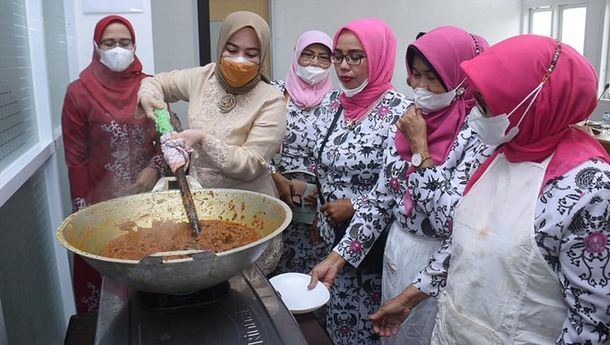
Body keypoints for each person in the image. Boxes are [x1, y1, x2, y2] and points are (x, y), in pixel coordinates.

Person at [375, 35, 610, 344]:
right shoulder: (494, 151)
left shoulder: (588, 191)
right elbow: (465, 238)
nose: (475, 114)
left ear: (533, 102)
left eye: (485, 104)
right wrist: (411, 296)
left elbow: (593, 323)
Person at [138, 11, 286, 275]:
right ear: (221, 48)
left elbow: (251, 164)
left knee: (245, 292)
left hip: (249, 214)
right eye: (232, 49)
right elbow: (155, 82)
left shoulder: (270, 99)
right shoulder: (202, 77)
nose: (240, 59)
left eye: (251, 54)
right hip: (201, 209)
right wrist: (150, 97)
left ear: (262, 56)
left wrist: (203, 139)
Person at [307, 18, 410, 345]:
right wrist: (318, 213)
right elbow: (321, 164)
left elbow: (404, 189)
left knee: (367, 330)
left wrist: (355, 206)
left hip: (372, 249)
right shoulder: (331, 103)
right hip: (330, 239)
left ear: (378, 56)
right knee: (333, 322)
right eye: (338, 56)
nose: (344, 66)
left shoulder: (401, 113)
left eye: (356, 57)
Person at [61, 15, 166, 312]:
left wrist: (153, 168)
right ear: (97, 46)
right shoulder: (78, 93)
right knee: (108, 291)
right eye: (109, 43)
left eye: (124, 42)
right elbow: (75, 159)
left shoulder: (150, 87)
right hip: (102, 208)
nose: (117, 49)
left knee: (151, 288)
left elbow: (166, 137)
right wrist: (86, 216)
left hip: (150, 205)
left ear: (134, 46)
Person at [270, 30, 334, 275]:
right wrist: (274, 177)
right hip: (276, 192)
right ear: (296, 56)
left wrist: (322, 196)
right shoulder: (275, 94)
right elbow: (254, 143)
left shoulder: (337, 102)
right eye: (307, 55)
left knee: (311, 274)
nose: (314, 64)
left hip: (316, 205)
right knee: (275, 267)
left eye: (323, 57)